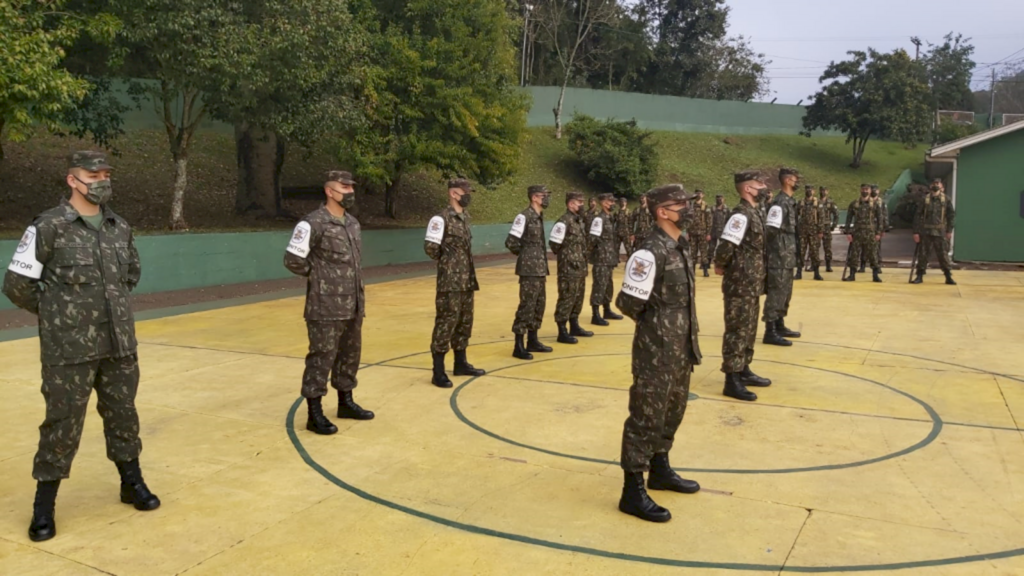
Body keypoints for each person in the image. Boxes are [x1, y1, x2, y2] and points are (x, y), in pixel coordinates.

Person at [3, 151, 159, 543]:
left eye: (107, 174)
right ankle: (44, 507)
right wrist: (58, 313)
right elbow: (16, 284)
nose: (102, 180)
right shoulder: (48, 226)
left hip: (119, 344)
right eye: (94, 174)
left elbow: (131, 275)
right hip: (68, 349)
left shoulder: (119, 226)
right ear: (73, 180)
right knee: (62, 424)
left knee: (123, 415)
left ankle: (132, 484)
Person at [615, 184, 702, 523]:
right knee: (645, 418)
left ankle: (660, 469)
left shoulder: (680, 245)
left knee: (672, 412)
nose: (688, 209)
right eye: (680, 204)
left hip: (682, 348)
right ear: (662, 212)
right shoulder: (649, 252)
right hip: (656, 352)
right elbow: (627, 303)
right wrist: (657, 326)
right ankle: (632, 490)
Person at [285, 170, 374, 437]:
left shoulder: (352, 223)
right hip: (325, 306)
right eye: (343, 187)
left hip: (353, 303)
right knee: (321, 358)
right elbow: (293, 260)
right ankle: (314, 413)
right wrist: (322, 277)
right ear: (329, 191)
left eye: (351, 188)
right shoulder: (313, 223)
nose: (349, 192)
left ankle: (345, 402)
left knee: (350, 355)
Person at [713, 171, 772, 402]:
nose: (764, 187)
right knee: (737, 329)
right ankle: (732, 378)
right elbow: (727, 244)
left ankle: (744, 368)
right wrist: (720, 264)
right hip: (740, 281)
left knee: (749, 328)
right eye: (760, 184)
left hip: (753, 281)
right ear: (747, 188)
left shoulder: (755, 212)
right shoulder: (740, 215)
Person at [424, 179, 486, 388]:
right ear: (453, 193)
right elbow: (431, 248)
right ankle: (438, 371)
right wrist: (450, 264)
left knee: (464, 321)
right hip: (450, 280)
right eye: (464, 192)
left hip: (467, 278)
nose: (468, 195)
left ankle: (460, 362)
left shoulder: (465, 217)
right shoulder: (441, 219)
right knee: (446, 321)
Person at [506, 185, 553, 360]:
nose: (546, 199)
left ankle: (532, 340)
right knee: (527, 305)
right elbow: (511, 242)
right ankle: (518, 345)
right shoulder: (524, 217)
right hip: (529, 269)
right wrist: (526, 256)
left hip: (540, 269)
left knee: (538, 305)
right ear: (534, 197)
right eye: (544, 195)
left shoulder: (539, 216)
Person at [762, 168, 802, 347]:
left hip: (787, 256)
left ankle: (779, 324)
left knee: (785, 293)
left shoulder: (789, 202)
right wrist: (775, 252)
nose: (797, 182)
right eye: (795, 179)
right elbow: (770, 230)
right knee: (776, 293)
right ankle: (769, 331)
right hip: (778, 257)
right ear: (787, 180)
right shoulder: (779, 204)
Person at [549, 191, 594, 344]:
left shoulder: (578, 221)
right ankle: (562, 331)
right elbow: (554, 245)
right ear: (570, 204)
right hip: (568, 268)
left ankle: (574, 325)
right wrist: (568, 256)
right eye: (579, 202)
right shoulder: (563, 222)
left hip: (580, 268)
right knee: (567, 297)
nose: (582, 205)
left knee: (578, 297)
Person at [911, 179, 957, 285]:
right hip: (926, 231)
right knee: (923, 254)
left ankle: (948, 276)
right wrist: (916, 232)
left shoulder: (946, 199)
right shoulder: (925, 199)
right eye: (934, 184)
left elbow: (951, 216)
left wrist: (949, 230)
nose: (935, 186)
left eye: (937, 184)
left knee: (943, 255)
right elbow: (918, 216)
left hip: (940, 232)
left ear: (941, 186)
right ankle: (919, 275)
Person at [589, 193, 624, 326]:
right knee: (599, 285)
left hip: (609, 258)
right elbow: (593, 239)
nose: (613, 204)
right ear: (603, 203)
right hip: (601, 258)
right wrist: (597, 254)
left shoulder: (610, 218)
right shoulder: (599, 219)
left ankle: (607, 309)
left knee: (608, 285)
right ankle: (595, 314)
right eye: (610, 202)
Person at [843, 184, 884, 283]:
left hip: (870, 233)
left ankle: (875, 275)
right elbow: (848, 219)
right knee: (854, 254)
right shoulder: (854, 204)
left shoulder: (874, 204)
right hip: (857, 232)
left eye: (867, 189)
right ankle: (852, 274)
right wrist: (848, 232)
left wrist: (878, 232)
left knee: (872, 254)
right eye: (863, 189)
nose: (864, 191)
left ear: (870, 191)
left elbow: (880, 219)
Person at [798, 185, 824, 281]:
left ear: (814, 191)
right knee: (801, 251)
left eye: (811, 190)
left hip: (814, 231)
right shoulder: (801, 203)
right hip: (802, 231)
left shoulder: (818, 203)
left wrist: (820, 230)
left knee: (814, 252)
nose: (809, 191)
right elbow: (796, 215)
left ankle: (816, 273)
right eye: (807, 189)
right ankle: (798, 272)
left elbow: (821, 217)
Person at [689, 190, 713, 277]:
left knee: (704, 253)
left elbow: (709, 220)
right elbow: (688, 219)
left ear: (703, 195)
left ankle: (705, 271)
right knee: (693, 253)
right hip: (693, 233)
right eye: (696, 193)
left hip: (703, 232)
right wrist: (688, 232)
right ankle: (692, 271)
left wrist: (708, 233)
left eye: (700, 193)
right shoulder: (691, 206)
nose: (698, 195)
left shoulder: (705, 206)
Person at [818, 186, 839, 272]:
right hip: (817, 227)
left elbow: (836, 215)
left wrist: (833, 225)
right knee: (815, 247)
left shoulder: (830, 203)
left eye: (825, 190)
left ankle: (828, 265)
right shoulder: (816, 202)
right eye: (822, 190)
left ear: (828, 192)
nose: (823, 192)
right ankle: (814, 265)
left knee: (827, 247)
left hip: (826, 227)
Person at [709, 194, 729, 262]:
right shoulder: (712, 209)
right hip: (713, 230)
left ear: (724, 199)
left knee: (722, 247)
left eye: (721, 198)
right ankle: (708, 262)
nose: (719, 200)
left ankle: (721, 261)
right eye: (718, 198)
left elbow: (729, 220)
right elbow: (708, 219)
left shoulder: (726, 209)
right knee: (711, 247)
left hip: (723, 230)